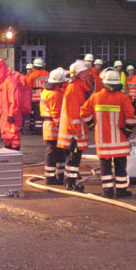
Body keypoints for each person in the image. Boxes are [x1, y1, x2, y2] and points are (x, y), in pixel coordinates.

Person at [81, 68, 136, 198]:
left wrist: (93, 126)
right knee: (120, 166)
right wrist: (128, 131)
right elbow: (130, 116)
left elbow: (84, 113)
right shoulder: (123, 98)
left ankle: (107, 191)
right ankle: (122, 191)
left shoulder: (95, 97)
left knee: (105, 167)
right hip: (120, 140)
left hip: (103, 139)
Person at [57, 60, 90, 192]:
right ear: (77, 74)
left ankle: (71, 181)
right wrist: (77, 131)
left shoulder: (78, 87)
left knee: (75, 156)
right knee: (73, 157)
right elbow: (73, 113)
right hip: (74, 130)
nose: (85, 74)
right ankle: (70, 183)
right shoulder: (74, 88)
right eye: (82, 72)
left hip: (77, 129)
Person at [40, 68, 68, 185]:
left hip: (49, 124)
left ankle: (58, 174)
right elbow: (57, 113)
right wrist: (63, 127)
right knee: (53, 151)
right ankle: (51, 177)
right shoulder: (55, 94)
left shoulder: (46, 91)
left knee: (57, 151)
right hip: (54, 126)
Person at [0, 59, 23, 150]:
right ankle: (9, 156)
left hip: (11, 114)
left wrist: (11, 114)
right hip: (5, 114)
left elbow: (15, 100)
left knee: (14, 135)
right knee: (5, 135)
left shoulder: (11, 82)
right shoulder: (3, 84)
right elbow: (2, 100)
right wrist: (0, 112)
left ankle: (15, 155)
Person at [26, 58, 49, 134]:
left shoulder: (32, 75)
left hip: (35, 98)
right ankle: (45, 128)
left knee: (37, 114)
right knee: (45, 113)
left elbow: (28, 87)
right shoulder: (48, 74)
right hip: (46, 97)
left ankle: (38, 130)